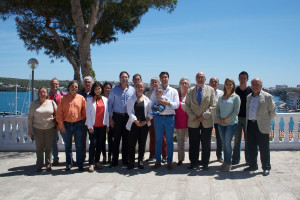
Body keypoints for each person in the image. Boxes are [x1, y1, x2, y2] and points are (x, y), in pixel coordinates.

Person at [244, 78, 276, 176]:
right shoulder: (249, 96)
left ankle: (266, 167)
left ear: (261, 85)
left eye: (257, 84)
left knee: (264, 148)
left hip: (262, 126)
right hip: (250, 125)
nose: (255, 86)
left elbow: (273, 111)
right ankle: (253, 165)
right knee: (251, 147)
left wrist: (265, 121)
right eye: (253, 84)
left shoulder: (267, 96)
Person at [185, 72, 216, 170]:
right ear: (195, 79)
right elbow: (187, 105)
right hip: (193, 121)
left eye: (202, 77)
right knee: (193, 143)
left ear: (205, 79)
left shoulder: (211, 90)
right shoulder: (190, 91)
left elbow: (213, 105)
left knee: (206, 143)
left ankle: (205, 163)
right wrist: (193, 116)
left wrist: (204, 116)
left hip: (206, 121)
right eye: (198, 77)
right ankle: (193, 162)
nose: (200, 79)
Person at [151, 72, 179, 170]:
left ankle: (169, 161)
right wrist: (157, 107)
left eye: (165, 77)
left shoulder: (173, 91)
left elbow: (176, 105)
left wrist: (166, 103)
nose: (164, 79)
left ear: (168, 78)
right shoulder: (156, 91)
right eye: (162, 77)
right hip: (158, 118)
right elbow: (151, 104)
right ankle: (158, 161)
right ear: (160, 79)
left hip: (169, 118)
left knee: (169, 141)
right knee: (158, 140)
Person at [56, 80, 86, 171]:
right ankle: (69, 163)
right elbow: (59, 114)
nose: (74, 88)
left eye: (76, 87)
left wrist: (81, 121)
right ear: (68, 88)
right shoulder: (63, 99)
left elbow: (84, 112)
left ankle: (80, 163)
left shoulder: (81, 98)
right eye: (72, 86)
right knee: (68, 145)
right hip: (67, 125)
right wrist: (61, 126)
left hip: (78, 124)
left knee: (79, 145)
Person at [108, 71, 135, 168]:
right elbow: (110, 104)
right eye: (122, 77)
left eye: (126, 77)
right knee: (116, 140)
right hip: (117, 117)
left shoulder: (132, 90)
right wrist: (110, 118)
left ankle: (125, 160)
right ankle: (114, 161)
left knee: (126, 139)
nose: (124, 79)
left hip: (127, 117)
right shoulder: (114, 90)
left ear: (128, 78)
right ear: (119, 78)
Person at [28, 87, 57, 172]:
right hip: (37, 129)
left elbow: (57, 113)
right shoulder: (34, 104)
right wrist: (30, 130)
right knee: (39, 148)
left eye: (44, 92)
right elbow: (30, 118)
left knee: (49, 147)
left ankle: (48, 164)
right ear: (38, 94)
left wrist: (58, 125)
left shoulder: (51, 103)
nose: (42, 94)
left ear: (47, 94)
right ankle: (39, 164)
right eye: (41, 92)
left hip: (50, 128)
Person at [126, 81, 152, 169]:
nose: (140, 89)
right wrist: (136, 121)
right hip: (134, 124)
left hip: (144, 124)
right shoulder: (131, 99)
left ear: (143, 88)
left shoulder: (147, 100)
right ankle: (131, 162)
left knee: (142, 143)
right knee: (131, 144)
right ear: (135, 88)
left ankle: (140, 161)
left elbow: (150, 112)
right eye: (138, 87)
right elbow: (129, 112)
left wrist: (146, 120)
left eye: (141, 87)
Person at [216, 78, 241, 172]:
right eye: (227, 84)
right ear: (224, 85)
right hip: (221, 124)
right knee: (224, 144)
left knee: (227, 143)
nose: (228, 85)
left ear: (233, 85)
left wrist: (226, 119)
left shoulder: (236, 97)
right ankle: (225, 162)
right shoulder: (221, 97)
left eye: (230, 84)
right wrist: (219, 118)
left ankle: (229, 163)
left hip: (231, 124)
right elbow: (217, 109)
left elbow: (236, 112)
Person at [85, 82, 109, 172]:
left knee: (100, 144)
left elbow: (107, 113)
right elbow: (88, 114)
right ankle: (91, 163)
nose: (98, 90)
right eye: (96, 89)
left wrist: (107, 125)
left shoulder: (105, 99)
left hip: (102, 126)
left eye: (99, 89)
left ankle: (97, 161)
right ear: (93, 90)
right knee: (93, 144)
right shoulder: (90, 99)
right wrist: (90, 126)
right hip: (93, 126)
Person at [232, 71, 252, 165]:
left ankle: (248, 160)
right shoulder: (235, 91)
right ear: (238, 79)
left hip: (248, 119)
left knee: (248, 141)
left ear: (247, 79)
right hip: (237, 118)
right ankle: (235, 159)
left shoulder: (251, 91)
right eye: (241, 78)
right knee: (237, 140)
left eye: (244, 78)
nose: (243, 79)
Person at [145, 77, 167, 163]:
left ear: (159, 83)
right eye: (152, 82)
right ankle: (152, 155)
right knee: (152, 137)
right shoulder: (148, 93)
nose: (154, 84)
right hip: (152, 117)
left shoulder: (163, 91)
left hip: (162, 117)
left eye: (156, 82)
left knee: (163, 137)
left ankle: (164, 155)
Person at [48, 78, 66, 166]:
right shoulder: (46, 96)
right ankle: (55, 159)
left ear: (59, 85)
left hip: (63, 123)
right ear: (50, 85)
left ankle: (69, 158)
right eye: (53, 84)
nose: (54, 86)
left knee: (67, 141)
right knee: (53, 142)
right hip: (51, 123)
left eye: (56, 84)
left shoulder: (63, 95)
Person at [78, 76, 93, 162]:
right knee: (82, 140)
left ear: (91, 83)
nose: (87, 84)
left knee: (93, 140)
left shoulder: (94, 94)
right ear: (83, 83)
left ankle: (92, 158)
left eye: (89, 82)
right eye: (86, 82)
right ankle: (82, 157)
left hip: (92, 120)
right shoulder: (79, 94)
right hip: (82, 120)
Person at [174, 77, 189, 166]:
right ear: (179, 85)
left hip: (191, 123)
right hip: (180, 122)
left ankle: (194, 158)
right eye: (182, 83)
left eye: (186, 83)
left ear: (188, 85)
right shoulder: (176, 96)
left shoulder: (191, 96)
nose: (184, 85)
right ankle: (180, 159)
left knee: (194, 142)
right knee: (180, 143)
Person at [209, 77, 224, 162]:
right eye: (212, 81)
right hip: (208, 119)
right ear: (209, 83)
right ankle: (206, 157)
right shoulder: (206, 92)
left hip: (219, 119)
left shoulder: (222, 93)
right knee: (207, 139)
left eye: (215, 82)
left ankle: (219, 156)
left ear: (218, 84)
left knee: (219, 138)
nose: (214, 83)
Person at [102, 82, 113, 163]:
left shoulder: (113, 98)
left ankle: (110, 156)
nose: (107, 89)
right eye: (106, 88)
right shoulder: (100, 98)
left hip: (111, 121)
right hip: (102, 121)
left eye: (109, 88)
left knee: (110, 140)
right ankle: (104, 156)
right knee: (102, 140)